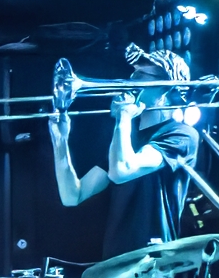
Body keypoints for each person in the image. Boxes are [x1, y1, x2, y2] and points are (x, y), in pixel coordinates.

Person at [49, 44, 199, 260]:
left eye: (142, 75)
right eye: (133, 73)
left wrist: (124, 117)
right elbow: (72, 195)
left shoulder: (182, 134)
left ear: (166, 87)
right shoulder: (126, 138)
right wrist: (60, 140)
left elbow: (122, 171)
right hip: (116, 258)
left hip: (154, 260)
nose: (130, 80)